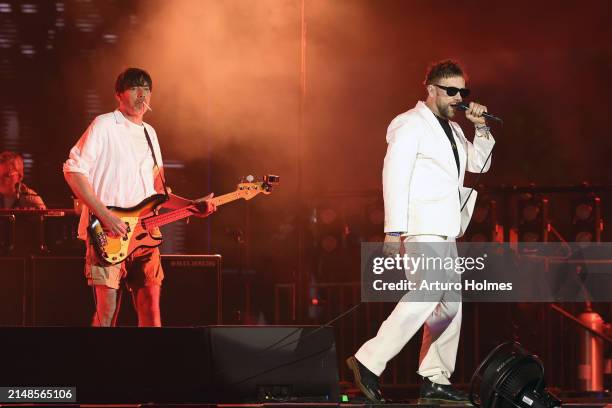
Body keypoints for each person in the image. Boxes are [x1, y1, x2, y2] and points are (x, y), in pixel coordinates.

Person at [346, 60, 495, 403]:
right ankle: (368, 360)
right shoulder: (408, 123)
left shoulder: (456, 130)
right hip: (421, 226)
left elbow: (479, 164)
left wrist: (482, 129)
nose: (459, 97)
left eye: (463, 91)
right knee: (426, 296)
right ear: (431, 89)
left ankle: (436, 379)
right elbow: (394, 176)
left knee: (450, 306)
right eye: (451, 91)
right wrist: (393, 230)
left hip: (447, 228)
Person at [63, 67, 216, 327]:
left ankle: (151, 365)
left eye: (146, 89)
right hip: (108, 231)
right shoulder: (104, 125)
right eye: (134, 88)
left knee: (151, 307)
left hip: (145, 234)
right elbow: (73, 170)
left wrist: (191, 206)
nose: (141, 94)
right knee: (107, 310)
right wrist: (104, 214)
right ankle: (97, 366)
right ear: (119, 95)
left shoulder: (150, 133)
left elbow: (158, 192)